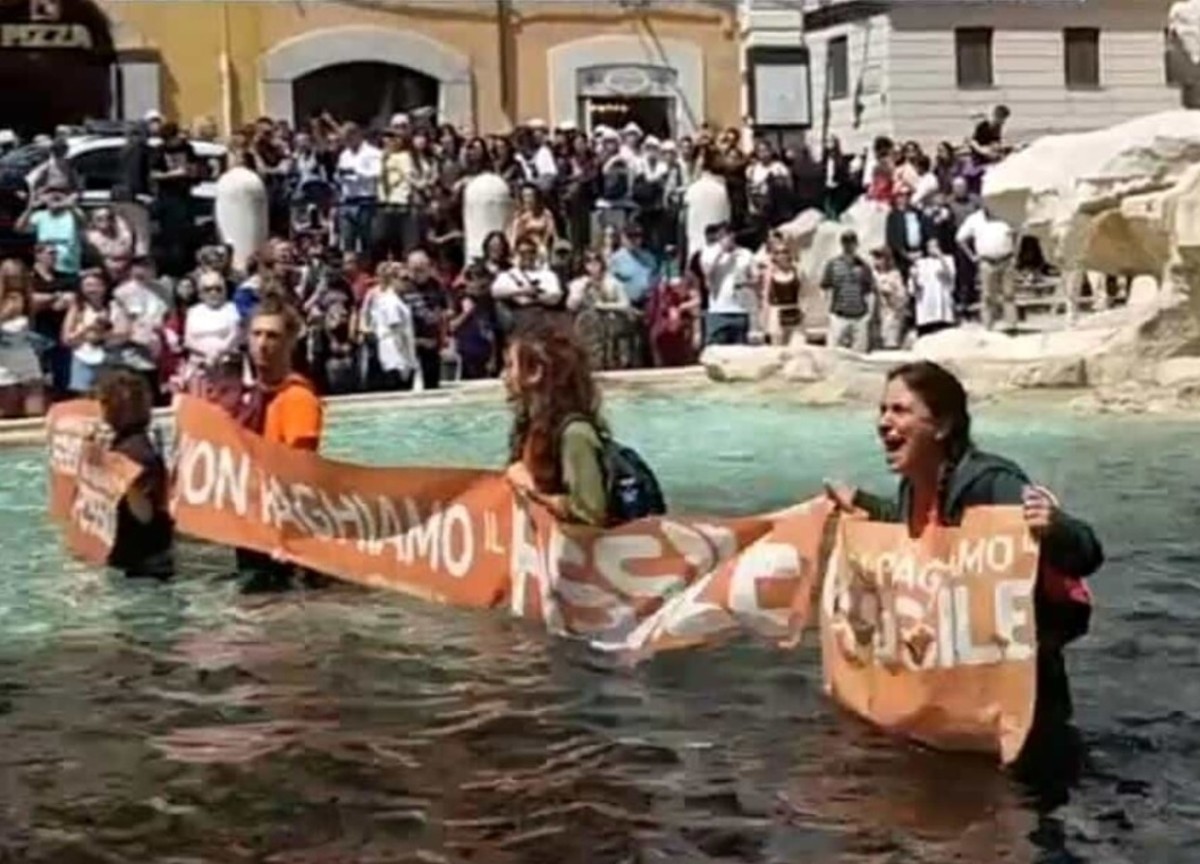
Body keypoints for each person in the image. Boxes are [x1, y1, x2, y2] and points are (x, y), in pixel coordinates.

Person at [825, 361, 1103, 773]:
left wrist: (1055, 526)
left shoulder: (993, 483)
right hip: (958, 713)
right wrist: (862, 502)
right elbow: (917, 536)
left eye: (899, 410)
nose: (883, 422)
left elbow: (1089, 553)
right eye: (882, 410)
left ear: (941, 426)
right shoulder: (912, 489)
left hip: (1024, 712)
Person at [223, 294, 324, 590]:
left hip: (280, 533)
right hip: (251, 524)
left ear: (290, 341)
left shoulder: (297, 399)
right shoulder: (252, 395)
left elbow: (299, 471)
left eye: (273, 336)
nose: (263, 344)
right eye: (256, 334)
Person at [503, 317, 609, 527]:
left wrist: (531, 490)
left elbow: (591, 513)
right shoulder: (534, 426)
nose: (504, 376)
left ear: (535, 372)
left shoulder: (575, 434)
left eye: (510, 365)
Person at [96, 369, 174, 579]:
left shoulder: (135, 454)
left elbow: (145, 515)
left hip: (144, 565)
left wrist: (129, 484)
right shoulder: (130, 445)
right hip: (143, 558)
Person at [820, 230, 876, 353]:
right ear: (842, 244)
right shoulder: (833, 264)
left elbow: (870, 291)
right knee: (833, 352)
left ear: (856, 244)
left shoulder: (863, 266)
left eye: (851, 242)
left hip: (859, 317)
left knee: (860, 354)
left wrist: (869, 315)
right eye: (846, 242)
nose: (849, 246)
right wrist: (828, 313)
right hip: (839, 316)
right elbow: (825, 287)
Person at [909, 237, 957, 338]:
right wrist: (913, 277)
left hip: (943, 312)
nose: (933, 248)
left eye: (936, 246)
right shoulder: (921, 263)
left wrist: (940, 256)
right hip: (926, 313)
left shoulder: (948, 259)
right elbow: (915, 288)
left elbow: (950, 277)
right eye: (931, 246)